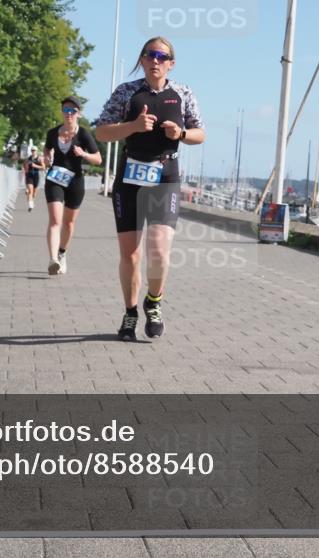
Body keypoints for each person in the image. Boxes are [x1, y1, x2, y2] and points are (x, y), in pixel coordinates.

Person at [93, 37, 205, 340]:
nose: (155, 60)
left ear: (171, 63)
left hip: (164, 174)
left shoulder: (182, 93)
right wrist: (132, 126)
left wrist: (181, 133)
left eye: (161, 56)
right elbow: (101, 131)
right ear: (142, 60)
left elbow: (200, 133)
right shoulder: (127, 92)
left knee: (158, 251)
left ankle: (153, 303)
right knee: (130, 255)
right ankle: (130, 313)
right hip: (130, 174)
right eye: (149, 55)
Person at [43, 96, 101, 275]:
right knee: (55, 220)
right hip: (55, 179)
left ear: (78, 114)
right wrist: (46, 156)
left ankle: (62, 253)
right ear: (62, 112)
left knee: (68, 223)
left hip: (75, 182)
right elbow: (47, 149)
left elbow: (98, 159)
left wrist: (84, 154)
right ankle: (53, 260)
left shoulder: (83, 134)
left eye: (72, 111)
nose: (69, 114)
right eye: (66, 110)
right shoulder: (53, 133)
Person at [23, 146, 45, 212]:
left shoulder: (39, 159)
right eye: (32, 150)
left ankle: (31, 201)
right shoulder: (28, 159)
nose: (33, 151)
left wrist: (35, 166)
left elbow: (43, 167)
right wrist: (25, 169)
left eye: (34, 150)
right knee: (30, 191)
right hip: (29, 175)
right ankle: (30, 205)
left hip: (36, 175)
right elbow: (24, 165)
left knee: (34, 193)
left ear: (36, 151)